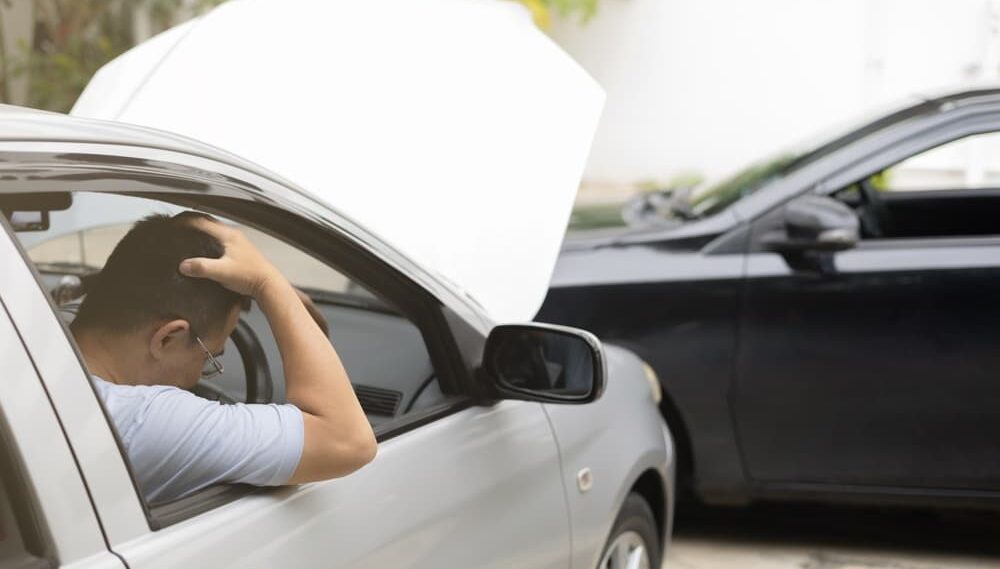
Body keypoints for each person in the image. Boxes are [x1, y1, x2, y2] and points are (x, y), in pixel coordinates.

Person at [69, 212, 376, 503]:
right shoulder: (142, 421)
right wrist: (267, 283)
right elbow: (348, 442)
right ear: (167, 338)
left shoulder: (44, 344)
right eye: (209, 359)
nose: (197, 381)